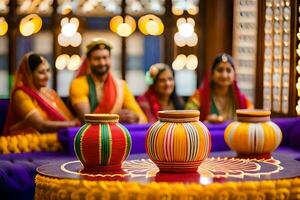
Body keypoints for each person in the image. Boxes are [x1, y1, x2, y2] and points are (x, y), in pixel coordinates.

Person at [69, 38, 147, 124]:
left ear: (110, 59)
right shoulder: (78, 84)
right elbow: (86, 120)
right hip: (88, 135)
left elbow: (142, 118)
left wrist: (135, 117)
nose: (102, 63)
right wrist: (115, 117)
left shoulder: (120, 86)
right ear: (88, 61)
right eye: (97, 59)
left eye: (105, 57)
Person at [3, 53, 78, 136]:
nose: (47, 76)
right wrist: (73, 124)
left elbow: (66, 118)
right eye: (41, 72)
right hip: (24, 142)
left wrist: (75, 123)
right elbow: (41, 125)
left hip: (52, 138)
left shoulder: (49, 93)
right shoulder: (21, 94)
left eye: (48, 71)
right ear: (29, 75)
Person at [185, 53, 253, 123]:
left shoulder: (242, 100)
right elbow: (188, 121)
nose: (224, 75)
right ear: (212, 74)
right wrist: (206, 121)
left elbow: (251, 119)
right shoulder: (198, 97)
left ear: (234, 75)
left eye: (228, 70)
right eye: (220, 70)